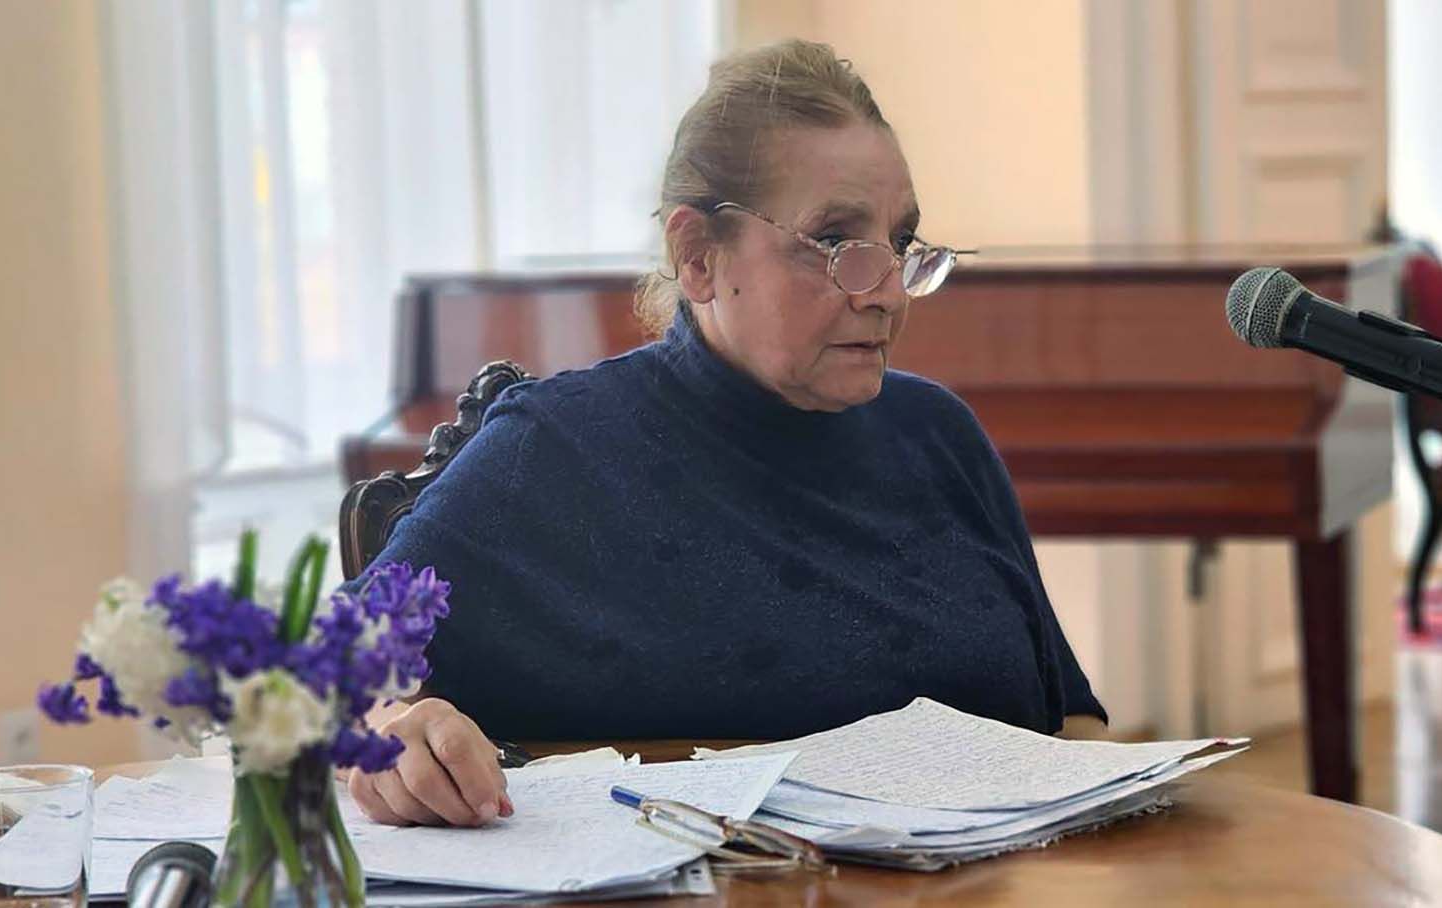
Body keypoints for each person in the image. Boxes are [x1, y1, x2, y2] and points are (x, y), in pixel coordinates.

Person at [344, 39, 1107, 828]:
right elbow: (326, 677)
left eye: (901, 243)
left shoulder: (939, 434)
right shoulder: (553, 448)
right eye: (837, 241)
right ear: (698, 257)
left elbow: (1071, 725)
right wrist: (394, 726)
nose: (889, 293)